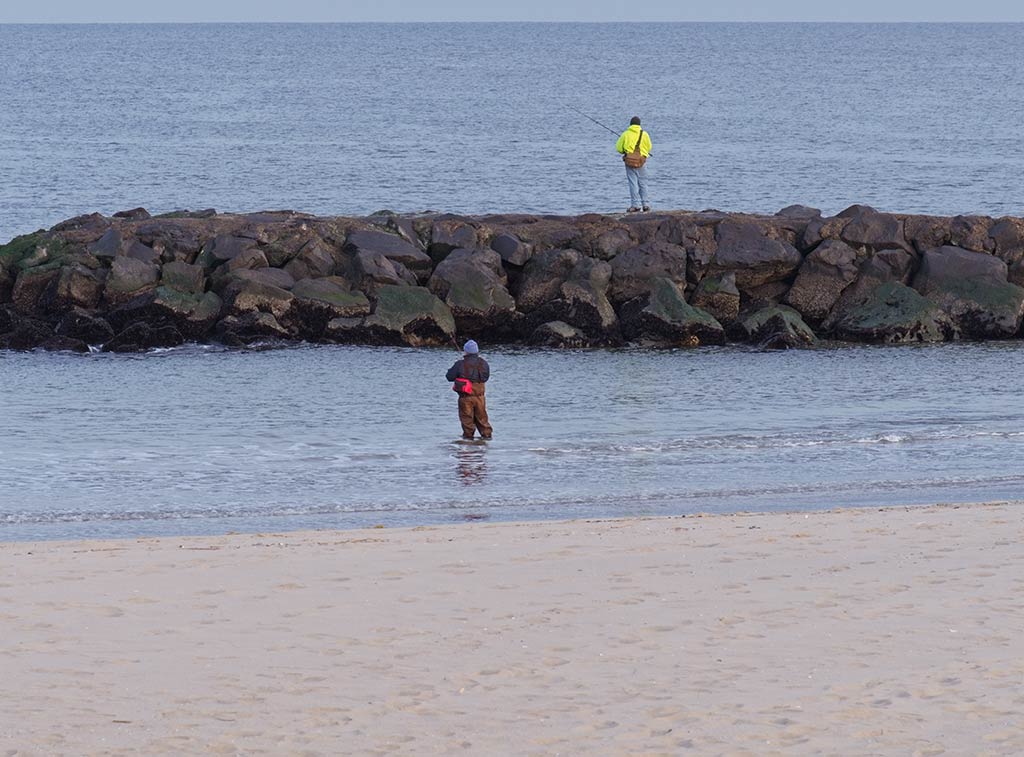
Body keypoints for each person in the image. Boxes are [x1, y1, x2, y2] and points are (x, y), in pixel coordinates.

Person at [446, 340, 493, 440]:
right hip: (480, 397)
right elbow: (485, 377)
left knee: (467, 422)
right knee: (483, 421)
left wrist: (455, 369)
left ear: (466, 351)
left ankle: (468, 444)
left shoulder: (459, 364)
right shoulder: (484, 363)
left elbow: (449, 377)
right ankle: (486, 442)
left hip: (465, 398)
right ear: (477, 351)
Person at [615, 116, 653, 213]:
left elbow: (619, 148)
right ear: (639, 124)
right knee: (643, 183)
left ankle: (635, 205)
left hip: (629, 161)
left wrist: (626, 151)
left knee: (633, 183)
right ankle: (646, 205)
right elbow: (649, 147)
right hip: (641, 161)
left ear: (631, 124)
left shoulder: (625, 134)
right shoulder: (645, 134)